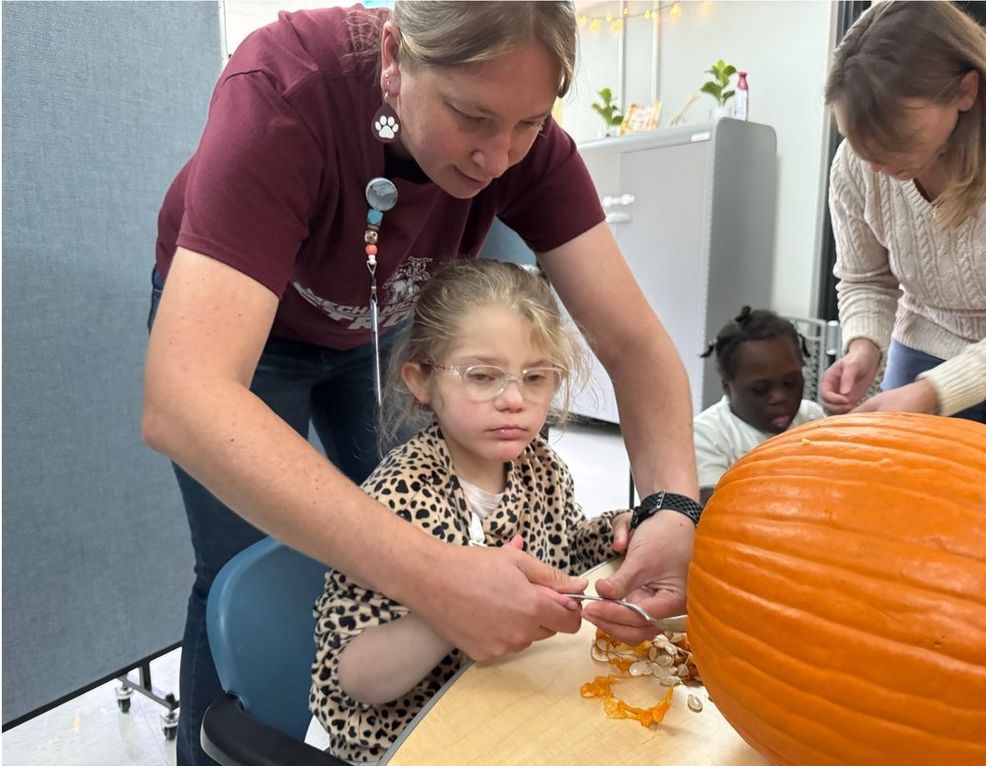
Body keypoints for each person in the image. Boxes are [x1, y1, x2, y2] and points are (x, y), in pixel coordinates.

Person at [141, 4, 699, 763]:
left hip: (378, 325)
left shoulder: (525, 151)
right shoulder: (286, 89)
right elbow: (186, 398)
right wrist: (435, 577)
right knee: (242, 559)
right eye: (471, 116)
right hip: (245, 328)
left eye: (529, 123)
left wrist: (670, 507)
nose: (497, 158)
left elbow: (634, 343)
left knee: (412, 535)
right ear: (396, 58)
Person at [308, 259, 633, 763]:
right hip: (410, 737)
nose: (513, 400)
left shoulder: (543, 468)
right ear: (420, 381)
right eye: (482, 376)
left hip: (509, 703)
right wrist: (452, 609)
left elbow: (562, 547)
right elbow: (356, 679)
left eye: (536, 377)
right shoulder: (397, 498)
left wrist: (613, 531)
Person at [819, 0, 986, 435]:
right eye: (861, 143)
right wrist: (862, 348)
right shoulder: (857, 164)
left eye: (898, 137)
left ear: (967, 91)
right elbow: (865, 278)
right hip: (926, 337)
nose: (875, 165)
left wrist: (930, 392)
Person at [694, 307, 826, 505]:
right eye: (760, 389)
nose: (779, 397)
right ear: (727, 388)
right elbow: (715, 508)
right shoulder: (707, 436)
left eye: (790, 383)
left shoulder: (812, 419)